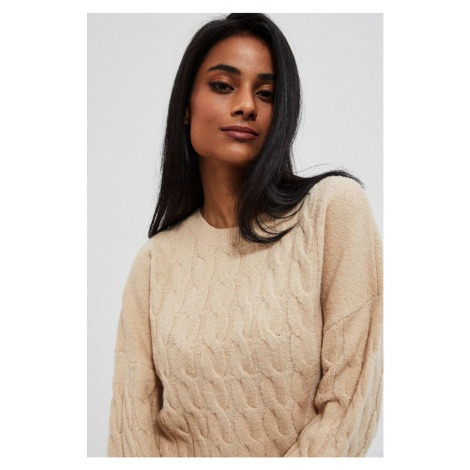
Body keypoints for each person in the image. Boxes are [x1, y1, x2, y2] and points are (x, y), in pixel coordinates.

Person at [107, 13, 383, 457]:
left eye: (266, 93)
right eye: (223, 85)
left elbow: (349, 403)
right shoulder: (155, 263)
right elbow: (131, 434)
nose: (246, 105)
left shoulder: (332, 211)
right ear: (185, 106)